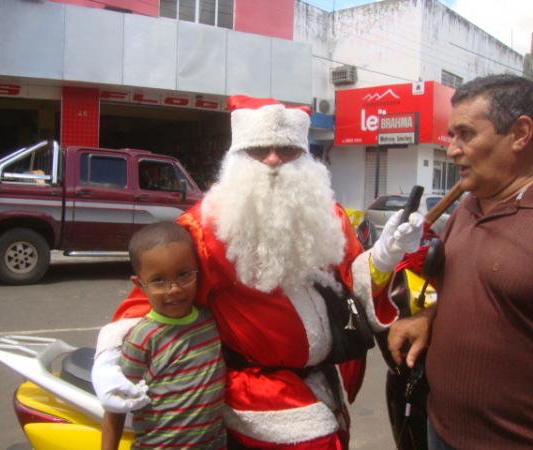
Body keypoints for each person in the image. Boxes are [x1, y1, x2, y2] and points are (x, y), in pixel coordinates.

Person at [93, 95, 423, 449]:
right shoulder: (205, 228)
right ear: (237, 156)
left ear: (305, 155)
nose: (272, 159)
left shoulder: (328, 216)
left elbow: (347, 283)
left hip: (320, 382)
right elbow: (155, 295)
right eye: (258, 149)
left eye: (286, 149)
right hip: (257, 390)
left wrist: (385, 256)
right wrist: (109, 359)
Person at [388, 74, 533, 450]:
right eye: (451, 136)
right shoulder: (466, 209)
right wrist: (423, 316)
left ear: (520, 133)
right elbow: (442, 282)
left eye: (465, 134)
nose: (452, 150)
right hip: (440, 429)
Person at [99, 221, 226, 450]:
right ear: (140, 284)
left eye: (184, 275)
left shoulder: (211, 321)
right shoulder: (142, 338)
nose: (174, 289)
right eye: (158, 280)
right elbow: (116, 404)